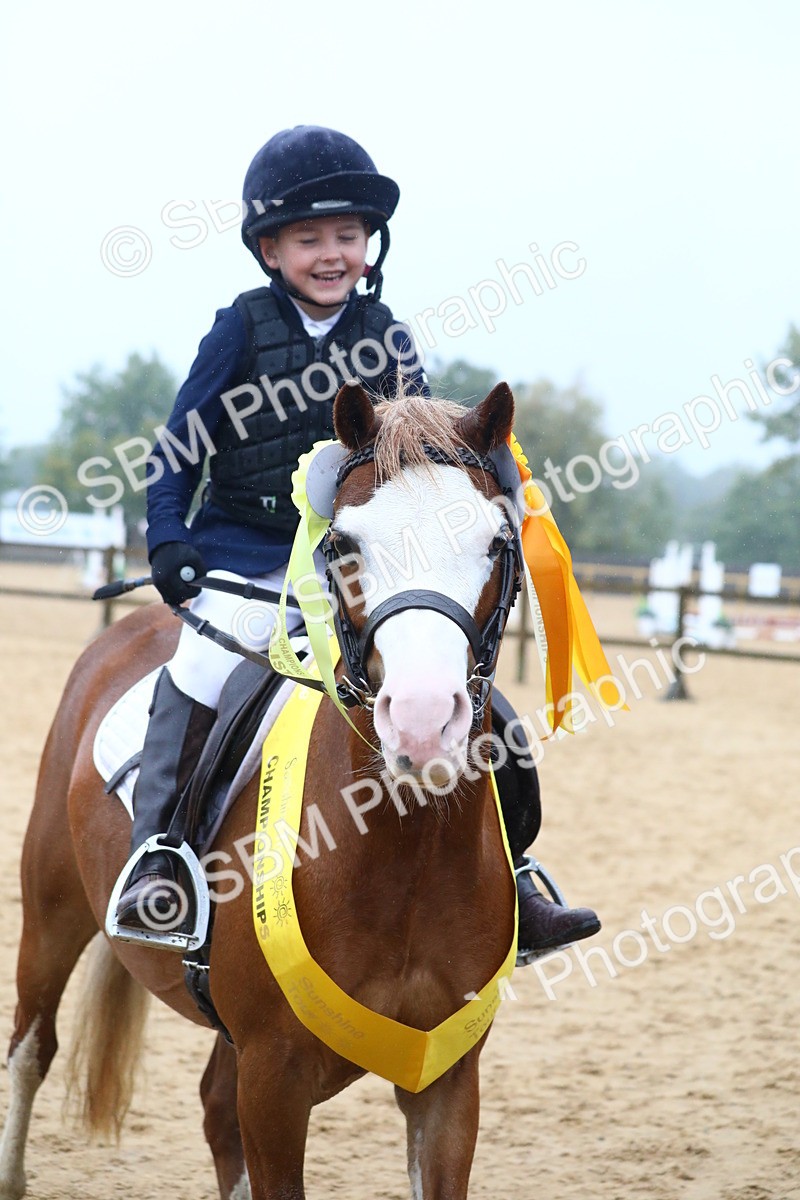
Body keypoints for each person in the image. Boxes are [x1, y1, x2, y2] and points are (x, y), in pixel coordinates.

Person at [112, 125, 600, 958]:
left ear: (371, 247)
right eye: (309, 239)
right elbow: (178, 446)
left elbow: (426, 446)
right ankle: (163, 860)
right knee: (198, 676)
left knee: (489, 707)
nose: (332, 253)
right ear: (271, 249)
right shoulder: (240, 329)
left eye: (348, 236)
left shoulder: (389, 335)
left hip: (355, 565)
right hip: (243, 553)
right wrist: (167, 535)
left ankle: (516, 878)